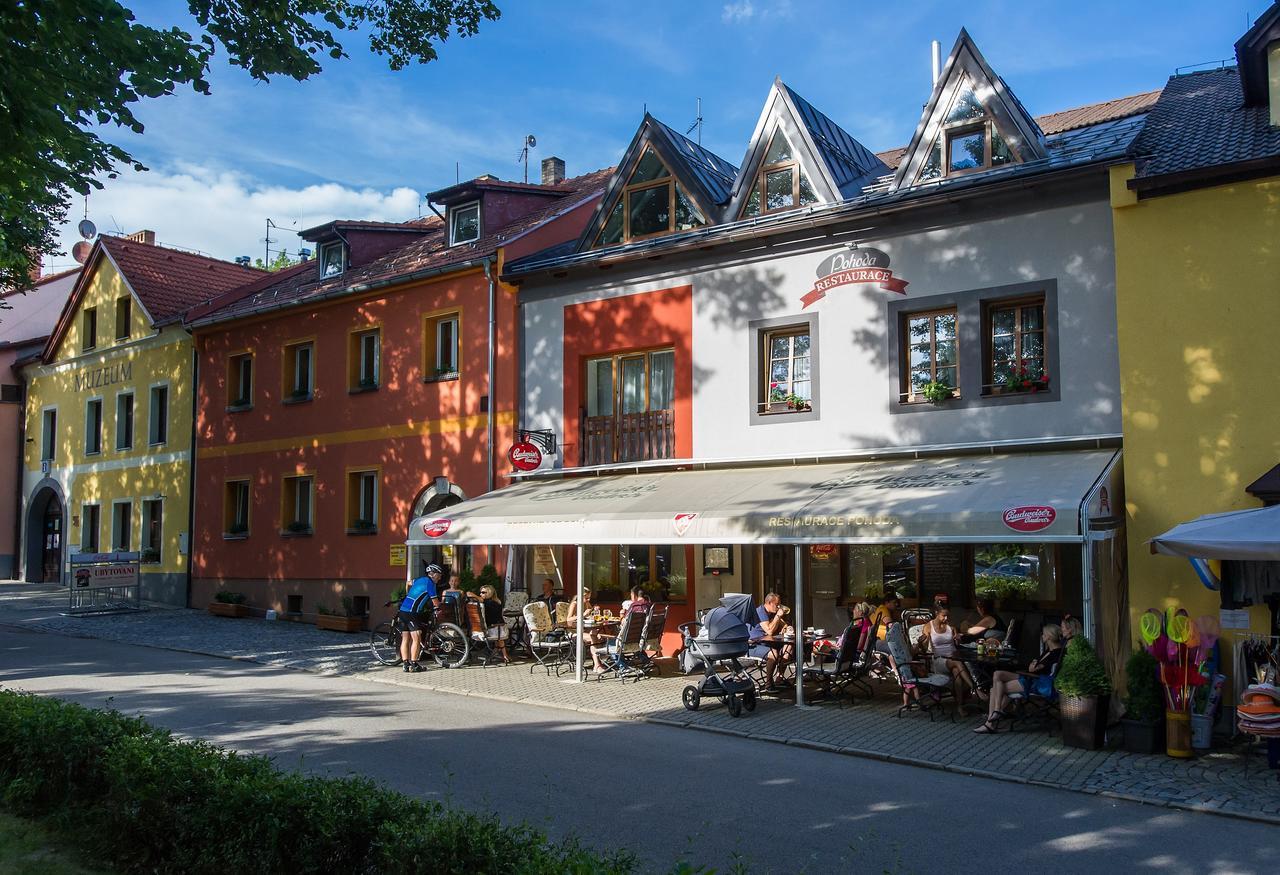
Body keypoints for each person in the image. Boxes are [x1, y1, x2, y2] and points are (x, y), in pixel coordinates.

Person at [974, 623, 1064, 733]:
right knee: (997, 674)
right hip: (1030, 677)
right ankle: (996, 712)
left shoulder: (1055, 653)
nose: (1042, 636)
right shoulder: (1048, 650)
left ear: (1049, 636)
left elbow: (1035, 668)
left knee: (995, 689)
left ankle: (990, 723)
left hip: (1036, 682)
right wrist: (1033, 666)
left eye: (1044, 634)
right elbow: (1034, 666)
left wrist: (1033, 666)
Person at [916, 606, 972, 704]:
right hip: (939, 660)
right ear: (936, 613)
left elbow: (957, 643)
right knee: (957, 662)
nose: (946, 618)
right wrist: (924, 641)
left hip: (953, 658)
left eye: (947, 616)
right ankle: (974, 687)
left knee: (956, 672)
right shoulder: (929, 627)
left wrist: (957, 639)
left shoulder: (950, 626)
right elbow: (924, 649)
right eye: (943, 616)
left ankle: (960, 706)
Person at [398, 564, 443, 672]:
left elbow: (408, 583)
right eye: (439, 575)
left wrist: (408, 594)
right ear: (434, 574)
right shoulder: (430, 584)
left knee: (405, 639)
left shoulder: (420, 579)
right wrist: (441, 607)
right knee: (417, 637)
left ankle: (405, 664)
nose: (440, 578)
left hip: (403, 610)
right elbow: (435, 602)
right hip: (411, 613)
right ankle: (414, 664)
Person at [750, 591, 794, 689]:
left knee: (789, 646)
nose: (779, 607)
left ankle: (780, 677)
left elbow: (785, 626)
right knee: (773, 653)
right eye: (777, 604)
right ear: (769, 603)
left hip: (768, 642)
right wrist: (778, 616)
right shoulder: (760, 612)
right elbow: (769, 631)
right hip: (755, 644)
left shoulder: (772, 612)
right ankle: (769, 683)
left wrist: (788, 628)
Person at [478, 585, 510, 664]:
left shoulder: (491, 602)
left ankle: (503, 655)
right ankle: (502, 654)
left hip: (494, 629)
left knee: (499, 636)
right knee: (499, 637)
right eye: (480, 592)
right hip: (496, 628)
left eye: (483, 592)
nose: (480, 594)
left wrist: (472, 595)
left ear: (489, 593)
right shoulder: (495, 601)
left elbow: (482, 601)